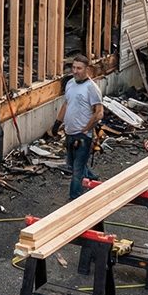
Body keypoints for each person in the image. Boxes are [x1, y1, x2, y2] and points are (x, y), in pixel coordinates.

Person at [51, 55, 104, 200]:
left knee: (77, 170)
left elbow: (98, 113)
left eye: (79, 68)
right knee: (73, 163)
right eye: (73, 68)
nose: (75, 71)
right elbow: (67, 104)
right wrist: (57, 123)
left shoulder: (91, 88)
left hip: (82, 137)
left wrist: (87, 128)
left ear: (87, 69)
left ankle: (75, 198)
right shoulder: (70, 84)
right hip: (70, 133)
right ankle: (93, 179)